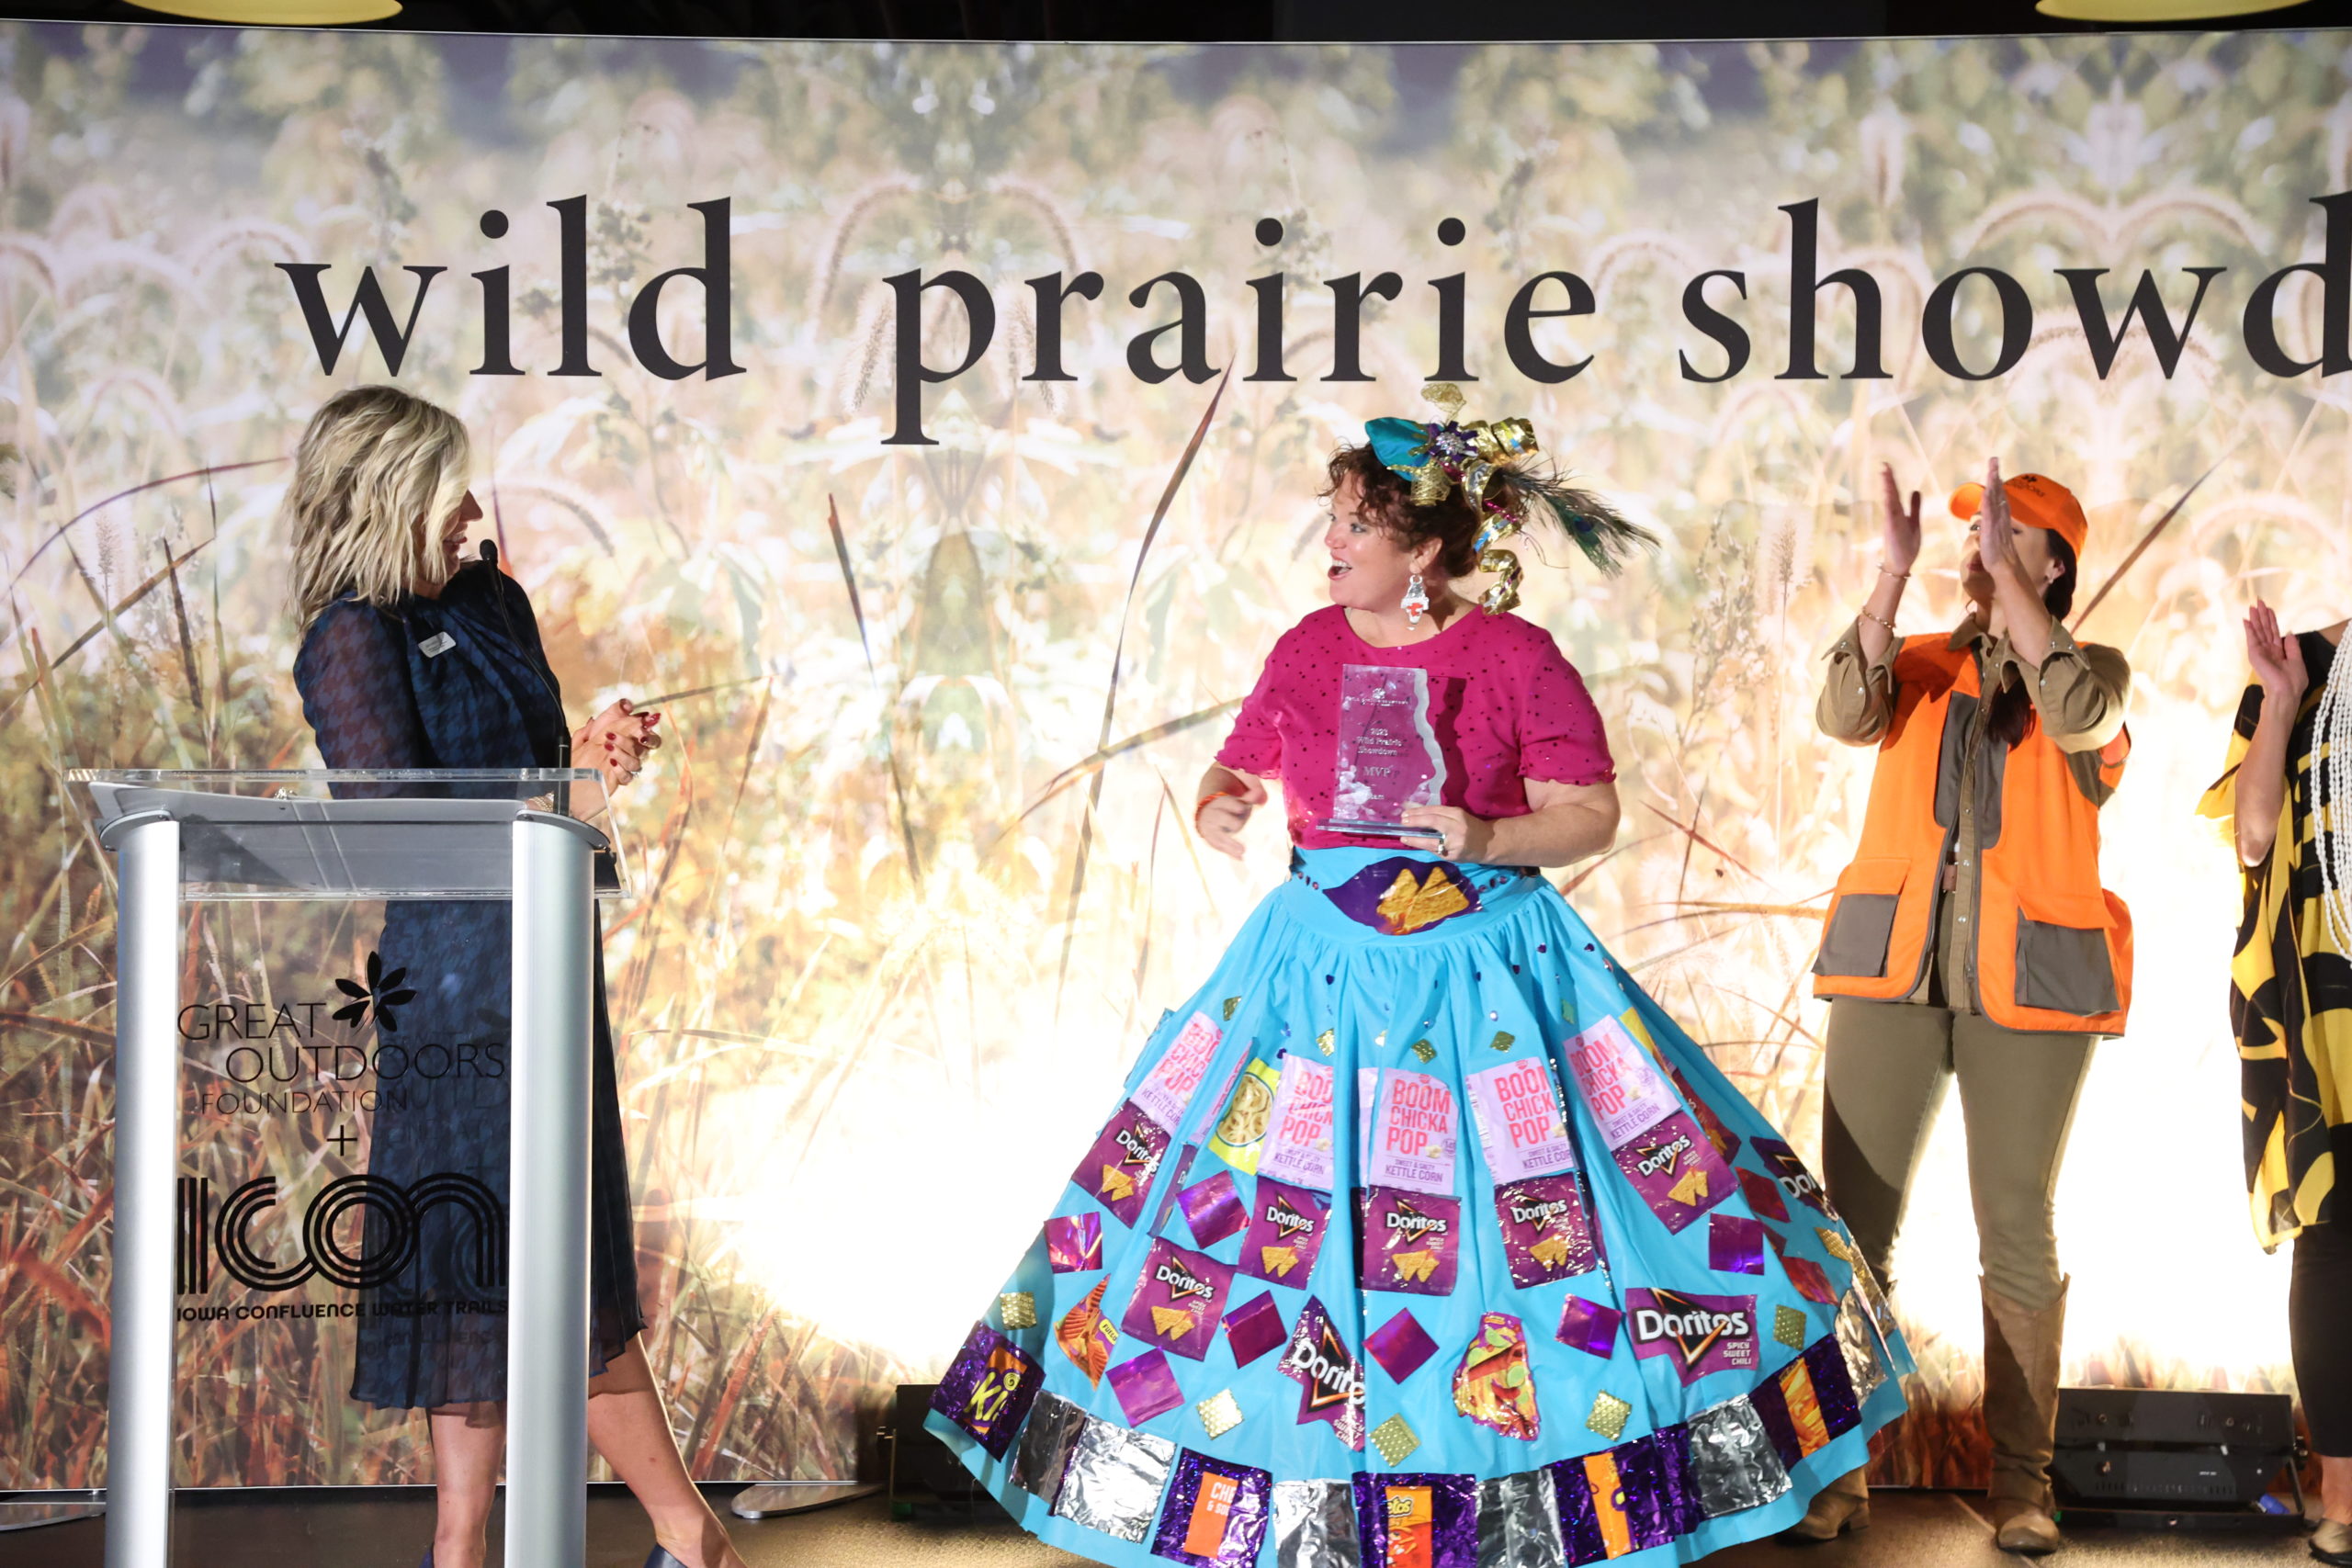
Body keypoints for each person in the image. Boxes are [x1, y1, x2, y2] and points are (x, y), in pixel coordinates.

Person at [926, 387, 1911, 1568]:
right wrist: (1222, 803)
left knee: (1534, 1226)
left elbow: (1588, 811)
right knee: (1280, 1220)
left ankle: (1519, 1489)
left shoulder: (1512, 656)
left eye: (1354, 523)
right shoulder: (1307, 646)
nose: (1331, 543)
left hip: (1482, 974)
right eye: (1334, 519)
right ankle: (1311, 1493)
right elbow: (1239, 766)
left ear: (1425, 550)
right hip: (1315, 972)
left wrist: (1486, 841)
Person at [285, 385, 742, 1568]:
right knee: (479, 1259)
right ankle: (618, 1538)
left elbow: (525, 777)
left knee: (552, 1248)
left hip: (547, 952)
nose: (473, 507)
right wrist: (560, 784)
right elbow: (400, 827)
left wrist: (585, 759)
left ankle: (631, 1537)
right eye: (446, 490)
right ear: (384, 500)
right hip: (456, 985)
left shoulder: (492, 597)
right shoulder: (350, 636)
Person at [1802, 461, 2132, 1554]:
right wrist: (1888, 581)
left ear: (2054, 563)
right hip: (1890, 975)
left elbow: (2081, 721)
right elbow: (1841, 708)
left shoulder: (2090, 672)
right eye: (1971, 536)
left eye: (2008, 534)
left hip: (2028, 988)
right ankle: (1838, 1477)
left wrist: (2015, 600)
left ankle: (2022, 1486)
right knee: (1849, 1235)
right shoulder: (1919, 662)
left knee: (2015, 1231)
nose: (1979, 547)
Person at [2198, 603, 2352, 1566]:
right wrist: (2284, 701)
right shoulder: (2299, 660)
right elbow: (2254, 838)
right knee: (2335, 1239)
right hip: (2330, 987)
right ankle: (2341, 1495)